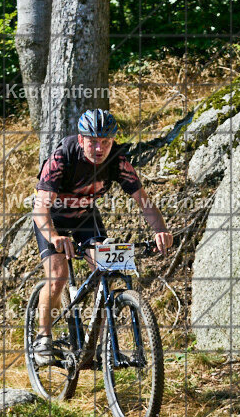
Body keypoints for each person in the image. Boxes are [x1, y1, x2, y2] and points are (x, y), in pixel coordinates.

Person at [31, 108, 173, 366]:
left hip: (86, 218)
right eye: (93, 141)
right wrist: (54, 236)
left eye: (105, 142)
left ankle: (100, 345)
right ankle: (43, 338)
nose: (99, 148)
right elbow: (40, 209)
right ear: (81, 139)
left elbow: (143, 200)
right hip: (52, 219)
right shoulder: (62, 157)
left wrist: (160, 230)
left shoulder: (117, 160)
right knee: (58, 275)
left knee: (106, 269)